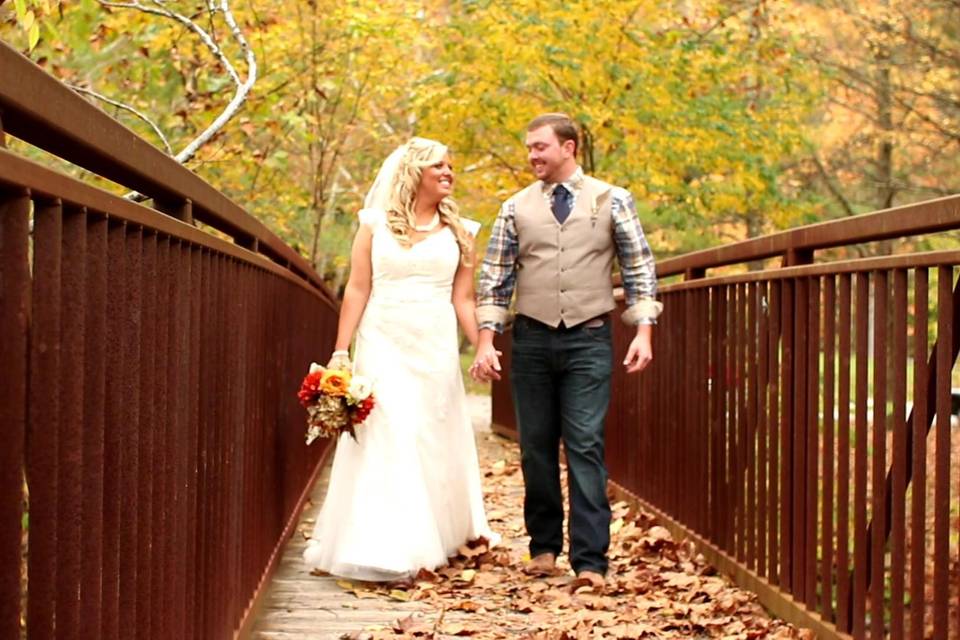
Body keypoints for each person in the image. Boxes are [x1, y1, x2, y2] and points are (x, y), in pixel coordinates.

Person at [470, 113, 661, 592]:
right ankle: (543, 547)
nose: (532, 155)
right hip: (532, 340)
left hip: (589, 337)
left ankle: (591, 560)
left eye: (540, 147)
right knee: (535, 447)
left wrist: (643, 331)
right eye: (530, 148)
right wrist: (488, 340)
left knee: (586, 445)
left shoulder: (612, 199)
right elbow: (495, 279)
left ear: (569, 147)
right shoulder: (515, 207)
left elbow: (639, 267)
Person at [303, 137, 499, 581]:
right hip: (381, 338)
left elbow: (464, 299)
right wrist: (340, 351)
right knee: (388, 432)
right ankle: (385, 546)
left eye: (451, 166)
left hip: (433, 343)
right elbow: (357, 288)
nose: (449, 173)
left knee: (427, 433)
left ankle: (436, 534)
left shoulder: (462, 231)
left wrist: (482, 345)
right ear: (414, 173)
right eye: (439, 167)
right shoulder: (373, 224)